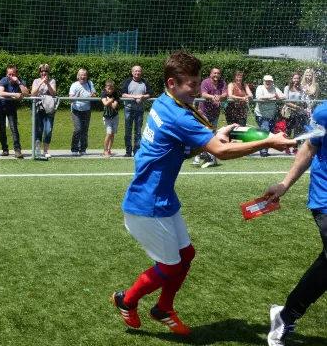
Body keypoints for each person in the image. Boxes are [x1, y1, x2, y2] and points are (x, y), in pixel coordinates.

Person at [111, 52, 295, 336]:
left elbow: (185, 146)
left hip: (162, 199)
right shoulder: (178, 114)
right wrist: (268, 140)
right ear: (172, 82)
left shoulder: (165, 102)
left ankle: (163, 309)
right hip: (146, 204)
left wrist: (213, 136)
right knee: (170, 268)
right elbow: (219, 151)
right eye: (193, 84)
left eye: (199, 83)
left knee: (187, 255)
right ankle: (127, 300)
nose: (198, 89)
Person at [264, 102, 327, 346]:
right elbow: (309, 147)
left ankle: (285, 314)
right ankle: (286, 314)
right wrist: (284, 184)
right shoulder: (324, 112)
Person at [194, 67, 227, 167]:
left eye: (218, 73)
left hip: (215, 113)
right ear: (210, 74)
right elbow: (203, 94)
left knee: (212, 134)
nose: (216, 75)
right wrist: (213, 97)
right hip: (203, 112)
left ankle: (204, 155)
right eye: (214, 73)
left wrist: (219, 97)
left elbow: (225, 94)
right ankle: (202, 155)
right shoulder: (205, 82)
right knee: (206, 133)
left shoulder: (222, 83)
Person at [0, 65, 28, 159]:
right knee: (2, 128)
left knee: (14, 128)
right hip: (1, 105)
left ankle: (17, 150)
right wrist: (14, 94)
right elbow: (0, 93)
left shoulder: (20, 81)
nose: (11, 76)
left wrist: (18, 82)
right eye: (9, 74)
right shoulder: (3, 80)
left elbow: (26, 93)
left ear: (16, 74)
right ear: (7, 74)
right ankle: (5, 149)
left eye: (13, 74)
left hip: (12, 107)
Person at [121, 66, 152, 157]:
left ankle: (137, 151)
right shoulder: (128, 82)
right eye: (136, 71)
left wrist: (142, 97)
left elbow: (150, 94)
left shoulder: (145, 82)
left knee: (138, 132)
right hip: (128, 109)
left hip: (140, 110)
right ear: (132, 72)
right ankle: (128, 151)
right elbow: (123, 94)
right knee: (128, 131)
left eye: (139, 71)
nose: (137, 73)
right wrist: (135, 97)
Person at [255, 75, 286, 157]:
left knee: (270, 133)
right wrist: (271, 97)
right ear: (263, 81)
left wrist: (279, 97)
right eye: (266, 81)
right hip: (261, 114)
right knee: (265, 130)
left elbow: (284, 96)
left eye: (270, 81)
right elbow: (259, 97)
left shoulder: (275, 88)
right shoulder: (260, 88)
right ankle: (263, 151)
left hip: (272, 115)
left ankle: (265, 150)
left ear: (272, 82)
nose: (268, 82)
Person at [31, 63, 57, 158]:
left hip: (49, 108)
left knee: (48, 130)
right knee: (38, 130)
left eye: (45, 71)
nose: (44, 73)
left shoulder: (52, 81)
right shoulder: (36, 81)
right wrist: (41, 83)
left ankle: (45, 151)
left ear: (48, 72)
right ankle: (37, 150)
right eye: (42, 71)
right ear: (39, 72)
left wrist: (47, 83)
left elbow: (54, 93)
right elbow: (33, 93)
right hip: (38, 108)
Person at [69, 69, 96, 156]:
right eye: (81, 75)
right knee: (78, 129)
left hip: (87, 110)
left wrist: (92, 95)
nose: (83, 77)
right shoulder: (74, 85)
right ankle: (74, 148)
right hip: (76, 110)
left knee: (84, 130)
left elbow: (94, 94)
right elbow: (70, 100)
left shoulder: (90, 83)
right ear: (78, 76)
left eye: (84, 75)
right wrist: (76, 96)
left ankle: (83, 149)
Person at [283, 72, 307, 155]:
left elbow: (303, 100)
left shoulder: (301, 89)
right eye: (295, 78)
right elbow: (286, 101)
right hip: (289, 111)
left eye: (297, 78)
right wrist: (295, 106)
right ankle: (287, 147)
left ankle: (295, 147)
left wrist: (300, 105)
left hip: (299, 112)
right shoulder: (287, 88)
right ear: (291, 79)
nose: (296, 80)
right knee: (289, 130)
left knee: (298, 131)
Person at [101, 80, 120, 157]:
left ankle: (109, 149)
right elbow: (105, 104)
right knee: (108, 133)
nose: (110, 91)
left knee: (112, 134)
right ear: (106, 88)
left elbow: (114, 106)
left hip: (115, 116)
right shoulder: (103, 94)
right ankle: (105, 149)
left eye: (111, 89)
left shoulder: (116, 94)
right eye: (108, 89)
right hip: (107, 117)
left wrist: (108, 101)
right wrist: (111, 100)